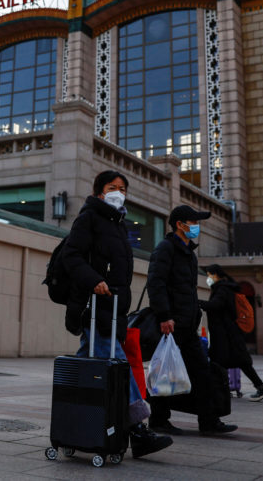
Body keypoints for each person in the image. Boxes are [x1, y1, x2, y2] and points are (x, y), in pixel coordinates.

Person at [59, 170, 173, 458]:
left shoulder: (118, 223)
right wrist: (93, 280)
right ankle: (136, 429)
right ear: (99, 192)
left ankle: (73, 423)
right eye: (112, 187)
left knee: (88, 367)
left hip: (113, 308)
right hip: (93, 307)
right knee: (117, 366)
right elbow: (71, 255)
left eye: (123, 188)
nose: (118, 192)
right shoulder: (89, 218)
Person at [146, 205, 239, 436]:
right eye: (194, 222)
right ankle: (158, 420)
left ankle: (209, 422)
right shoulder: (166, 249)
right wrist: (164, 316)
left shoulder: (188, 253)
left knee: (202, 372)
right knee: (165, 372)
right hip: (172, 324)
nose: (197, 227)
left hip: (187, 325)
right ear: (180, 224)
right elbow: (155, 283)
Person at [202, 264, 263, 402]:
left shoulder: (222, 289)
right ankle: (259, 387)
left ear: (215, 275)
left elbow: (216, 305)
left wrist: (197, 303)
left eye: (209, 275)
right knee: (233, 362)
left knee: (220, 362)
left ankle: (219, 390)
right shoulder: (226, 288)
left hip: (226, 335)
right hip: (229, 334)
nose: (208, 278)